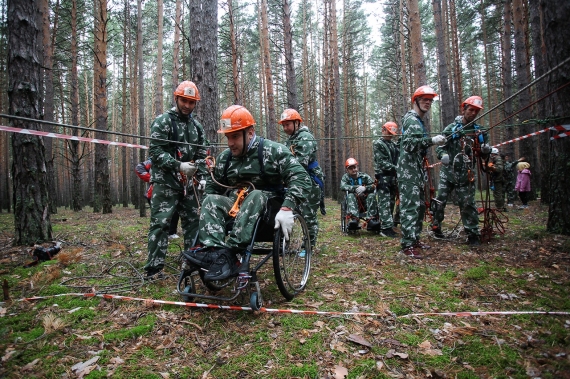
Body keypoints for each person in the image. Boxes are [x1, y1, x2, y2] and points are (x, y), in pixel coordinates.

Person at [184, 105, 312, 281]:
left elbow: (302, 178)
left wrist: (288, 207)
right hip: (235, 207)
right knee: (211, 200)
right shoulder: (225, 158)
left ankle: (230, 253)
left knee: (256, 195)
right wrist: (207, 197)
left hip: (268, 210)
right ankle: (213, 252)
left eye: (235, 136)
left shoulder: (273, 151)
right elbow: (214, 186)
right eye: (228, 137)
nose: (230, 143)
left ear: (250, 133)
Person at [144, 81, 210, 279]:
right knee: (161, 224)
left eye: (191, 102)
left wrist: (199, 171)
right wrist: (178, 165)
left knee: (193, 223)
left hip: (189, 185)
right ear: (176, 99)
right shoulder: (163, 121)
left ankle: (191, 263)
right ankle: (154, 269)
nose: (187, 105)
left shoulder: (197, 127)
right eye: (184, 101)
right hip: (166, 182)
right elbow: (155, 151)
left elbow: (202, 153)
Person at [430, 96, 491, 246]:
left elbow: (483, 153)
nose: (473, 113)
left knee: (468, 203)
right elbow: (440, 146)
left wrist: (485, 150)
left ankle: (472, 234)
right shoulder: (451, 129)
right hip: (448, 173)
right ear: (463, 109)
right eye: (471, 110)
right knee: (440, 201)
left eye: (476, 111)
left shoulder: (479, 131)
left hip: (466, 174)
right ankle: (436, 226)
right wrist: (442, 155)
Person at [397, 85, 447, 259]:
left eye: (430, 100)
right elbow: (410, 145)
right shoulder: (411, 119)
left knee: (418, 207)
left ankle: (414, 239)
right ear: (416, 101)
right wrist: (431, 140)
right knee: (410, 207)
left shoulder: (418, 121)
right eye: (425, 99)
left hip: (416, 171)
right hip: (408, 172)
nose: (428, 103)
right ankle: (407, 245)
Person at [279, 108, 324, 248]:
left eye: (288, 124)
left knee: (308, 215)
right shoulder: (291, 139)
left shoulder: (305, 137)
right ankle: (285, 245)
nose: (285, 128)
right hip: (294, 180)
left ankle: (308, 247)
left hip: (309, 181)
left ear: (297, 123)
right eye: (283, 125)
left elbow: (300, 163)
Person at [135, 159, 181, 240]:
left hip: (175, 192)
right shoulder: (155, 159)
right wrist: (152, 178)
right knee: (159, 216)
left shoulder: (178, 158)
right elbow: (139, 168)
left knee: (175, 213)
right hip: (155, 193)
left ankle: (171, 233)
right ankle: (158, 236)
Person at [372, 122, 400, 238]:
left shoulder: (393, 145)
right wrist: (398, 168)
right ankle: (385, 228)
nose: (390, 136)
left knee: (391, 201)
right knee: (384, 202)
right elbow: (382, 162)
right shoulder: (378, 144)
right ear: (383, 130)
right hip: (383, 176)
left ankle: (390, 225)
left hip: (393, 177)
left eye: (392, 134)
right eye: (388, 133)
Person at [340, 158, 379, 231]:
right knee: (350, 195)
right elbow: (343, 186)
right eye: (351, 168)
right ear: (347, 170)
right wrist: (356, 188)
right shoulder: (345, 177)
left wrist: (365, 188)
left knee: (371, 195)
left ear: (357, 167)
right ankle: (354, 220)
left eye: (354, 167)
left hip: (365, 202)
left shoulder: (364, 176)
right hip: (352, 204)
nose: (353, 170)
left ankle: (371, 220)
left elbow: (373, 186)